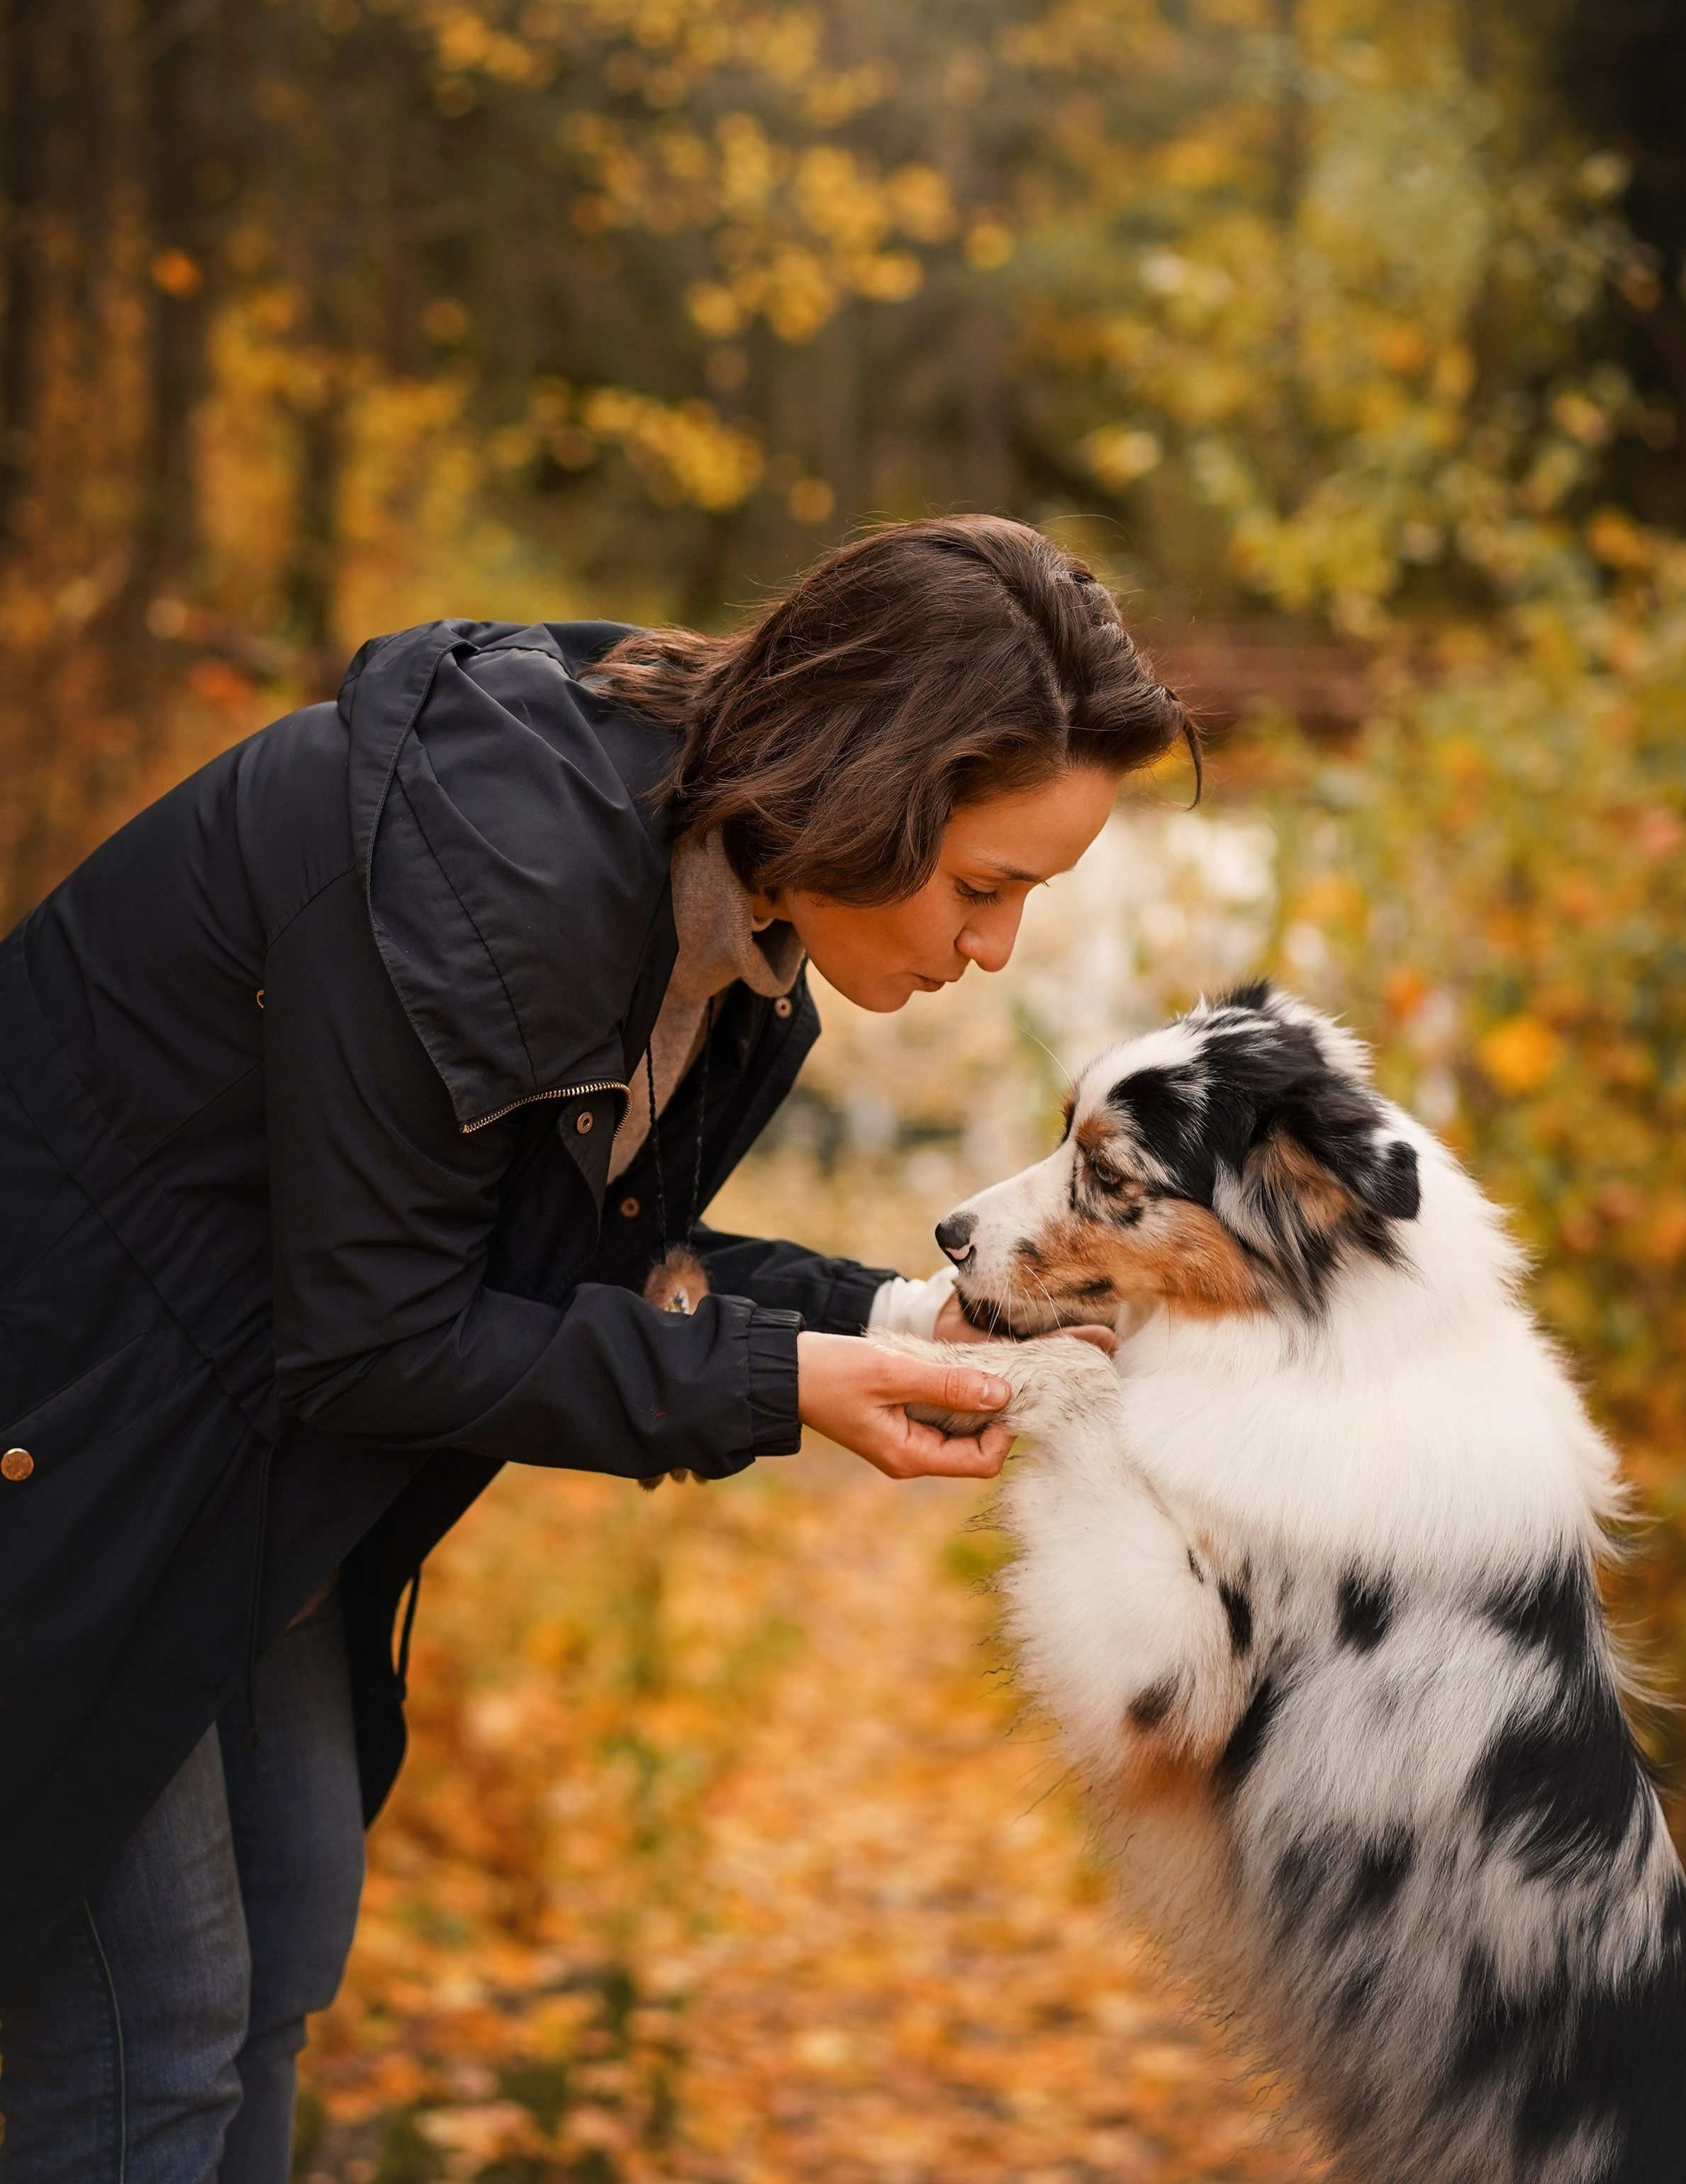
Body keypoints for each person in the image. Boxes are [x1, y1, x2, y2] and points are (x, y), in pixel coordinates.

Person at [0, 514, 1195, 2181]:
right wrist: (778, 1388)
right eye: (982, 884)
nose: (987, 949)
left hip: (239, 1457)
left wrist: (884, 1319)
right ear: (868, 780)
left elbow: (592, 1251)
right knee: (154, 2044)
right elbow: (381, 1335)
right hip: (77, 1448)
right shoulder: (505, 871)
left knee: (281, 1935)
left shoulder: (733, 944)